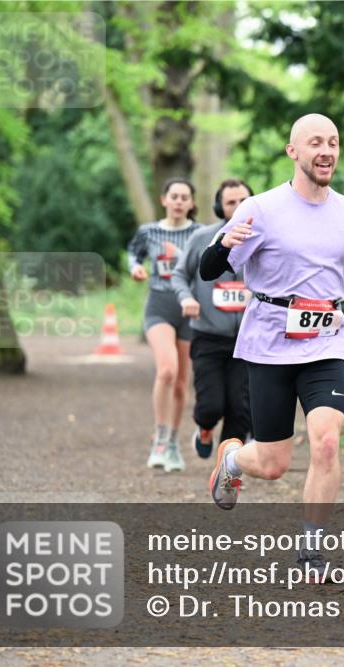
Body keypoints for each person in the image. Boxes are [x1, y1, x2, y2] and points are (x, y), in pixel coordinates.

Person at [200, 114, 344, 576]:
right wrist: (224, 244)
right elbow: (211, 270)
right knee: (272, 464)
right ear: (293, 151)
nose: (326, 150)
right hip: (269, 344)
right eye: (315, 143)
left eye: (333, 142)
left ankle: (311, 550)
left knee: (326, 442)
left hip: (327, 342)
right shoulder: (261, 209)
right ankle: (232, 459)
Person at [171, 178, 254, 459]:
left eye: (243, 201)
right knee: (211, 406)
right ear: (220, 207)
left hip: (247, 340)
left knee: (240, 409)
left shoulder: (264, 240)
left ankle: (227, 467)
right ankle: (204, 428)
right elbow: (180, 274)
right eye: (231, 202)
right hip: (208, 337)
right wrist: (186, 298)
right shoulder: (201, 238)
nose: (238, 207)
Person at [127, 178, 202, 472]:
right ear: (164, 200)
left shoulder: (199, 233)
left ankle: (172, 441)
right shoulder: (149, 232)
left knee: (182, 385)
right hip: (159, 305)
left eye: (185, 197)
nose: (180, 201)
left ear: (192, 203)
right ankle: (158, 438)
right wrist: (135, 267)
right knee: (167, 370)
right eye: (174, 196)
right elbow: (134, 253)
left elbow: (208, 264)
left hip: (189, 308)